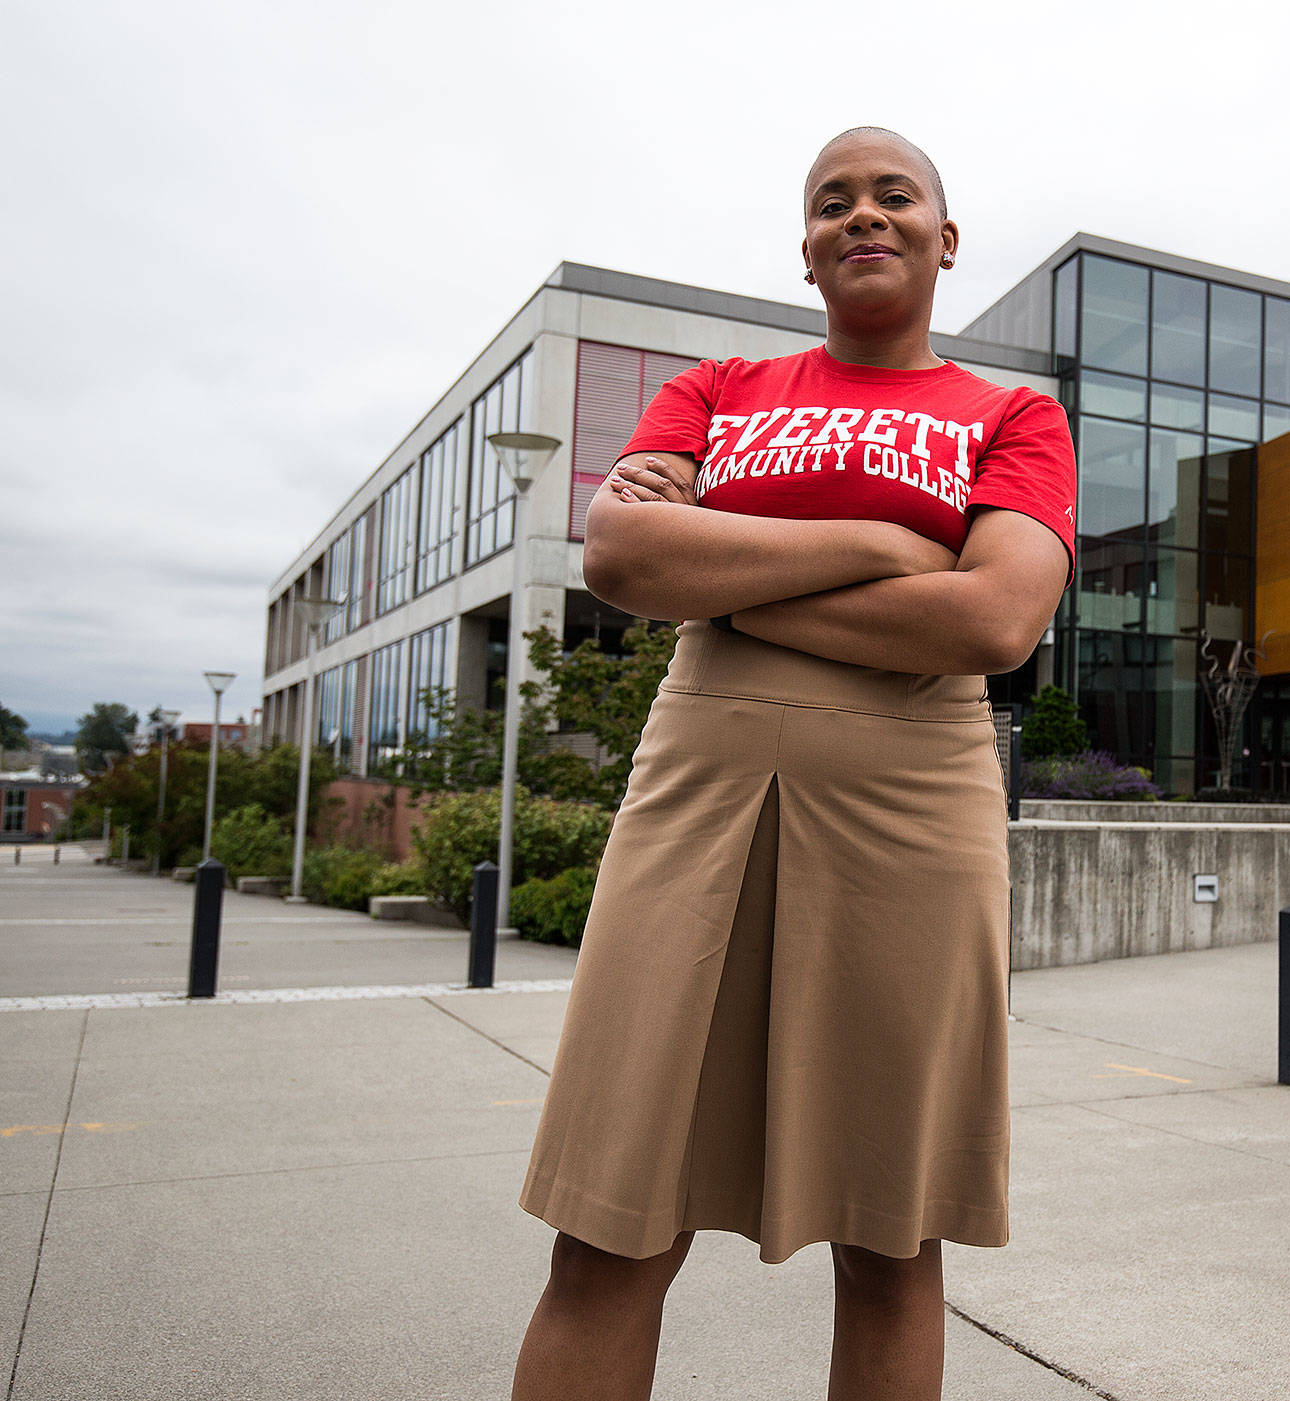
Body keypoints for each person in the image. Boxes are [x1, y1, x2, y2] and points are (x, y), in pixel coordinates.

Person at [510, 127, 1076, 1401]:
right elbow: (621, 562)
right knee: (610, 1222)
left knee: (888, 1235)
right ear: (807, 246)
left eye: (893, 195)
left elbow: (992, 621)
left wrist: (727, 580)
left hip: (912, 819)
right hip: (692, 796)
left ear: (943, 237)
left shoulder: (1012, 414)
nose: (861, 215)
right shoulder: (716, 389)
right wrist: (885, 537)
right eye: (832, 201)